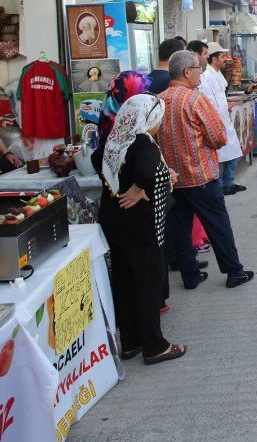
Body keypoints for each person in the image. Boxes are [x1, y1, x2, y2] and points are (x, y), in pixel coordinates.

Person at [91, 93, 186, 365]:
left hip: (114, 222)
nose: (159, 124)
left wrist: (151, 179)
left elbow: (97, 160)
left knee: (124, 281)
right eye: (158, 118)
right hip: (141, 225)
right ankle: (155, 346)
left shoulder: (114, 138)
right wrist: (137, 187)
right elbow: (145, 171)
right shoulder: (143, 142)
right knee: (148, 283)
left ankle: (130, 342)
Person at [158, 50, 253, 289]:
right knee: (218, 225)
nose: (201, 73)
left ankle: (190, 276)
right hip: (200, 175)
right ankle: (234, 271)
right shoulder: (194, 99)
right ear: (186, 72)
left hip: (174, 178)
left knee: (181, 229)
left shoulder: (159, 99)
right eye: (198, 69)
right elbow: (218, 136)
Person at [197, 42, 245, 195]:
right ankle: (221, 186)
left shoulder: (217, 74)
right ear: (214, 59)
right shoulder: (206, 77)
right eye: (223, 56)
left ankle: (228, 183)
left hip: (224, 119)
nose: (225, 59)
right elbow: (209, 102)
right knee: (220, 157)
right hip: (216, 122)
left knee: (233, 153)